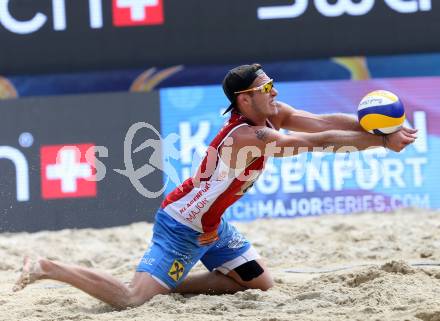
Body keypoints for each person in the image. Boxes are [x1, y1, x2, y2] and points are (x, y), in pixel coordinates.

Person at [13, 63, 417, 309]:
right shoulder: (246, 135)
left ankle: (166, 284)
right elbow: (314, 143)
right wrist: (382, 142)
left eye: (272, 84)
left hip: (214, 222)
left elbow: (322, 122)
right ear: (244, 100)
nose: (273, 92)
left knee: (260, 285)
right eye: (265, 89)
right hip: (183, 225)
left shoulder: (274, 113)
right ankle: (48, 267)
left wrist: (376, 124)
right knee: (130, 299)